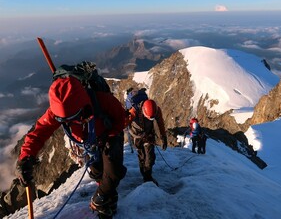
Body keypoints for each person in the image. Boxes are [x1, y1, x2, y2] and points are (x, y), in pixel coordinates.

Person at [15, 76, 127, 217]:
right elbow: (39, 132)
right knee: (97, 171)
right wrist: (26, 156)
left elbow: (120, 118)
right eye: (63, 120)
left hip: (110, 136)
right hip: (91, 141)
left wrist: (110, 135)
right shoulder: (56, 112)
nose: (68, 122)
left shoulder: (102, 100)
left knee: (113, 172)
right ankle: (108, 196)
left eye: (73, 116)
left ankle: (101, 199)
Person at [127, 97, 167, 186]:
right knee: (142, 156)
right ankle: (145, 175)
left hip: (148, 135)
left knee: (150, 157)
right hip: (137, 136)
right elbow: (125, 123)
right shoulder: (134, 111)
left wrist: (163, 137)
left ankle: (147, 177)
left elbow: (160, 123)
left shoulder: (156, 110)